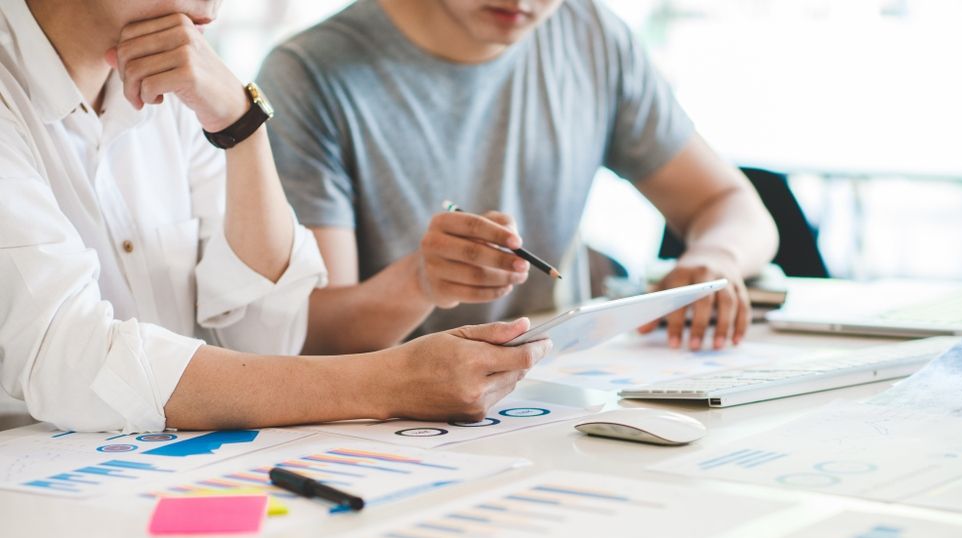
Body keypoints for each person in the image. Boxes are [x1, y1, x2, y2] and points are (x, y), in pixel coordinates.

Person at [0, 0, 549, 433]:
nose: (218, 8)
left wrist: (243, 124)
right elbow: (71, 361)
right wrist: (389, 382)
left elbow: (265, 337)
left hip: (150, 475)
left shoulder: (176, 79)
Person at [257, 0, 779, 357]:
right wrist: (420, 281)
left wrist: (716, 260)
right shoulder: (307, 74)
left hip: (550, 389)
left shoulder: (588, 32)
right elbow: (311, 334)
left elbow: (733, 204)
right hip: (393, 415)